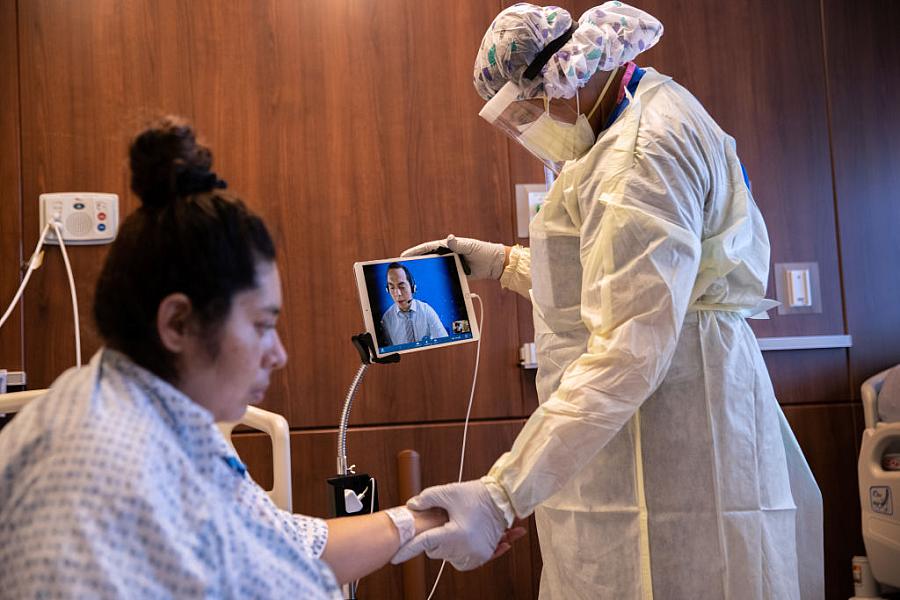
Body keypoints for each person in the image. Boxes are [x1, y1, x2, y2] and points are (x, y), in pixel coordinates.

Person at [394, 3, 824, 599]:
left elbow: (630, 345)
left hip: (678, 412)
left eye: (521, 110)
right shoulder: (629, 114)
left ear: (557, 78)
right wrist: (499, 263)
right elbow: (615, 280)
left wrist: (503, 494)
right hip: (659, 394)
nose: (525, 128)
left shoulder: (638, 160)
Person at [0, 117, 466, 599]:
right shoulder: (96, 486)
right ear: (178, 323)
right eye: (263, 326)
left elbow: (281, 545)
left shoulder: (157, 415)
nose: (279, 354)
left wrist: (421, 520)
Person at [380, 262, 448, 345]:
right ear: (387, 290)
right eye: (392, 287)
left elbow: (445, 342)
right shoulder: (386, 319)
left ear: (412, 287)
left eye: (402, 287)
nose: (397, 294)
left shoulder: (426, 311)